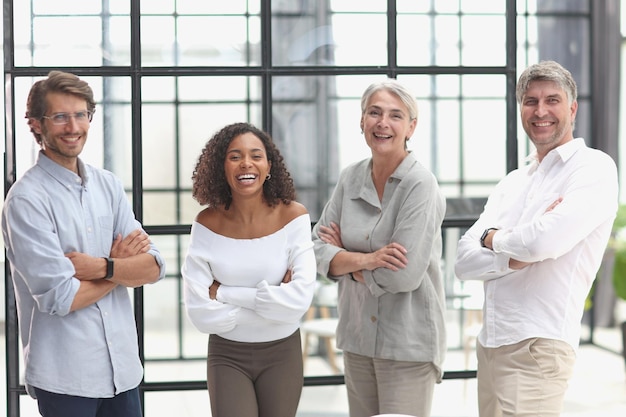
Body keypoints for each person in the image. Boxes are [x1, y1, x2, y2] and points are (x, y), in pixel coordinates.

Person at [454, 60, 619, 417]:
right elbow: (463, 262)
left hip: (538, 346)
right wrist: (512, 250)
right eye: (530, 101)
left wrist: (493, 238)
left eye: (552, 100)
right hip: (491, 343)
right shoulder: (513, 181)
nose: (540, 111)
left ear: (572, 108)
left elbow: (543, 244)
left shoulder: (593, 168)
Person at [1, 71, 166, 417]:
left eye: (80, 115)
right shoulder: (26, 201)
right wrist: (119, 268)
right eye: (60, 116)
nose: (73, 126)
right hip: (66, 378)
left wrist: (101, 267)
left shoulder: (107, 185)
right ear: (35, 124)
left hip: (122, 371)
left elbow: (153, 267)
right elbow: (61, 298)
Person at [311, 79, 447, 417]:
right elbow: (316, 249)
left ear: (411, 127)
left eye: (395, 115)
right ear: (362, 121)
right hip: (357, 338)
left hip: (407, 343)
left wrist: (345, 261)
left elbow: (403, 276)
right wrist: (370, 259)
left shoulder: (420, 185)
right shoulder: (349, 178)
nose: (383, 123)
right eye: (374, 112)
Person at [181, 122, 317, 417]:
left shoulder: (294, 216)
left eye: (256, 155)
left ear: (269, 166)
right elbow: (199, 312)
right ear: (222, 167)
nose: (246, 163)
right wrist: (271, 301)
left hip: (282, 353)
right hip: (227, 355)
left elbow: (299, 302)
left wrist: (225, 293)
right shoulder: (205, 224)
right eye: (235, 156)